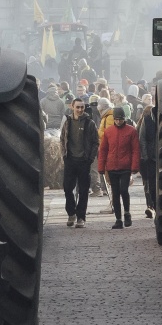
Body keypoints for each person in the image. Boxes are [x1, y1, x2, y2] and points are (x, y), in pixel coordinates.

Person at [97, 103, 141, 228]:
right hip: (112, 167)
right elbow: (103, 150)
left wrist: (134, 167)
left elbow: (135, 150)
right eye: (116, 119)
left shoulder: (131, 131)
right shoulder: (108, 132)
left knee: (124, 190)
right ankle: (118, 219)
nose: (118, 121)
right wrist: (101, 167)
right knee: (115, 193)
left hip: (125, 166)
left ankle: (127, 213)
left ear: (124, 118)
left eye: (120, 119)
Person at [59, 96, 98, 227]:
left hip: (84, 161)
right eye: (77, 107)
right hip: (70, 160)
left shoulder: (89, 123)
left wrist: (90, 158)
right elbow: (62, 139)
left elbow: (95, 142)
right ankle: (71, 213)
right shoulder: (67, 122)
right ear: (72, 107)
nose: (80, 109)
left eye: (82, 107)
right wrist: (64, 155)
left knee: (83, 190)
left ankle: (81, 217)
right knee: (67, 188)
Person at [136, 96, 159, 218]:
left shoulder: (144, 123)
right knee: (149, 183)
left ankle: (151, 206)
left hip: (149, 158)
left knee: (148, 183)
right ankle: (151, 206)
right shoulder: (144, 123)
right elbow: (142, 140)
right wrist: (145, 156)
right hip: (148, 158)